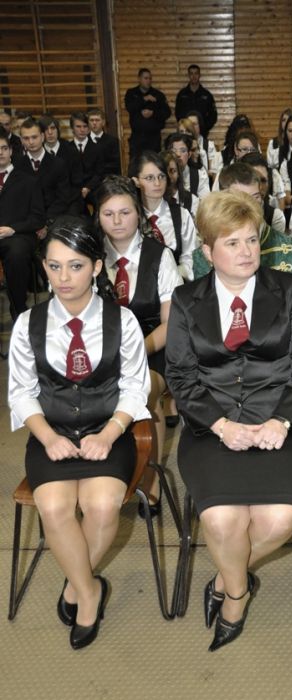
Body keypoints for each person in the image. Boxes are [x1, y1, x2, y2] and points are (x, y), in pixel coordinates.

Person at [165, 191, 292, 651]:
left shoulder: (289, 289)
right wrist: (220, 425)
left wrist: (280, 421)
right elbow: (180, 376)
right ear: (207, 250)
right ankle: (237, 595)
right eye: (232, 243)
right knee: (220, 520)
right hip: (211, 427)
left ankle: (224, 578)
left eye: (252, 240)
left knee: (279, 520)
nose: (246, 251)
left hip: (280, 423)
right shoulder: (186, 299)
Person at [8, 215, 150, 649]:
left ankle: (74, 583)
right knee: (53, 507)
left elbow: (135, 387)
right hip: (50, 433)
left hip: (108, 431)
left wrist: (109, 434)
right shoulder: (27, 323)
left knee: (102, 505)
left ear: (96, 266)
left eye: (75, 266)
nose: (63, 278)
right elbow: (21, 393)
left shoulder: (122, 320)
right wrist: (48, 437)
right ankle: (88, 591)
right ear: (44, 267)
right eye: (54, 266)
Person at [96, 175, 183, 514]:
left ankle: (150, 481)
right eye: (108, 213)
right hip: (99, 350)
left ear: (139, 213)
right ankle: (98, 471)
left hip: (152, 348)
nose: (117, 221)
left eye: (125, 212)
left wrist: (135, 352)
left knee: (144, 392)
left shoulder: (160, 256)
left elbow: (170, 323)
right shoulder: (88, 255)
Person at [129, 150, 197, 280]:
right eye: (149, 178)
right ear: (136, 181)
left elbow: (189, 257)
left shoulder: (182, 216)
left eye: (161, 176)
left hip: (176, 282)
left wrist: (171, 276)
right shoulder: (130, 217)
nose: (157, 183)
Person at [0, 127, 45, 319]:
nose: (0, 153)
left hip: (18, 236)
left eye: (3, 148)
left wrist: (13, 229)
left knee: (17, 254)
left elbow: (38, 218)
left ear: (11, 151)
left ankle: (18, 308)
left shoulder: (28, 181)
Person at [125, 68, 171, 157]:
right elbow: (130, 107)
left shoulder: (158, 95)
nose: (148, 81)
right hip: (137, 137)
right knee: (136, 162)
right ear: (139, 79)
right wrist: (144, 99)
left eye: (150, 78)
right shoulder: (131, 93)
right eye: (146, 78)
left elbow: (167, 113)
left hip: (154, 138)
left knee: (154, 162)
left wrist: (153, 113)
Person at [174, 64, 217, 136]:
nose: (194, 76)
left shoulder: (207, 95)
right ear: (188, 75)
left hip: (202, 133)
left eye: (196, 73)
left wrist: (204, 127)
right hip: (185, 132)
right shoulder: (182, 95)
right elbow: (177, 113)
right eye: (191, 74)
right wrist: (184, 126)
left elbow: (213, 115)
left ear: (199, 75)